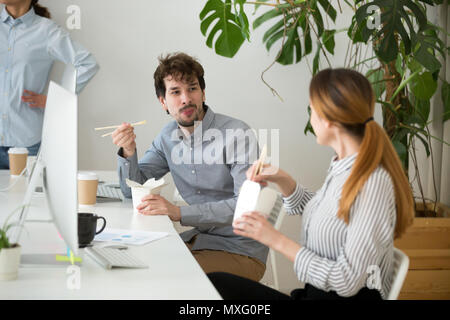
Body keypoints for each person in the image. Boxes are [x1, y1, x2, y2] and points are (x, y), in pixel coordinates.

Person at [208, 68, 414, 300]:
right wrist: (281, 178)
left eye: (312, 111)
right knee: (214, 284)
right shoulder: (343, 166)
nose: (310, 118)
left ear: (329, 119)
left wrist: (274, 239)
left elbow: (346, 281)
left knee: (214, 290)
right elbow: (326, 214)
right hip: (312, 296)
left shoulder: (372, 182)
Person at [111, 52, 268, 281]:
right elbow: (132, 189)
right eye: (175, 92)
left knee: (166, 277)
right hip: (201, 241)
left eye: (192, 88)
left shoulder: (237, 134)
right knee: (135, 263)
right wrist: (128, 151)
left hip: (241, 251)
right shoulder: (168, 137)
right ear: (163, 101)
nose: (186, 98)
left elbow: (245, 205)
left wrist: (179, 212)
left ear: (203, 93)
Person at [0, 0, 99, 169]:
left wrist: (56, 99)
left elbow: (87, 64)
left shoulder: (46, 31)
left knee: (25, 195)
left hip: (27, 145)